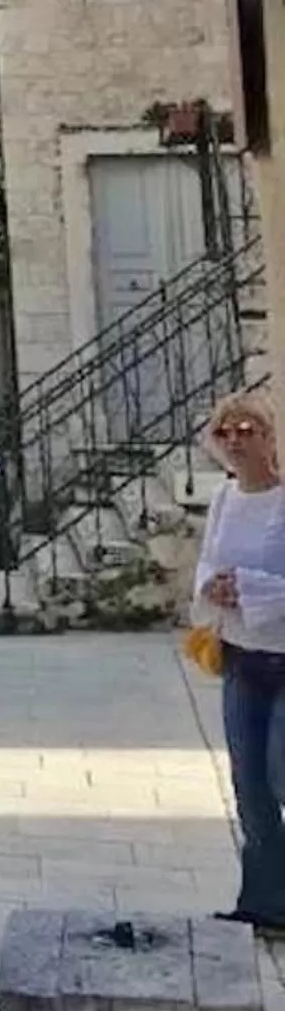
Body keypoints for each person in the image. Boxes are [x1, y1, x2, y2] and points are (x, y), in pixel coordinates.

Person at [194, 392, 285, 933]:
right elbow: (208, 561)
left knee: (280, 773)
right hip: (241, 657)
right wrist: (213, 585)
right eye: (224, 432)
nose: (234, 441)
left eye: (246, 430)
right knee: (249, 785)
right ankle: (266, 904)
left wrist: (246, 588)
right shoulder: (224, 499)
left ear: (269, 437)